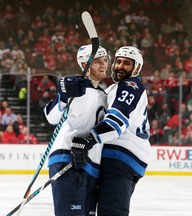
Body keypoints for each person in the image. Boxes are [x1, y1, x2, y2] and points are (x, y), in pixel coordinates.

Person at [71, 46, 151, 215]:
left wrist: (88, 140)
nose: (120, 66)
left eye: (127, 64)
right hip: (122, 158)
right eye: (118, 61)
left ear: (136, 68)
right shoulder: (113, 89)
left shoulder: (129, 85)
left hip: (120, 158)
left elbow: (116, 122)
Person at [44, 45, 109, 216]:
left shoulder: (105, 95)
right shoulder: (76, 89)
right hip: (67, 159)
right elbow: (51, 117)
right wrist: (64, 96)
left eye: (105, 60)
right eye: (97, 61)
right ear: (84, 64)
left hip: (91, 165)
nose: (103, 65)